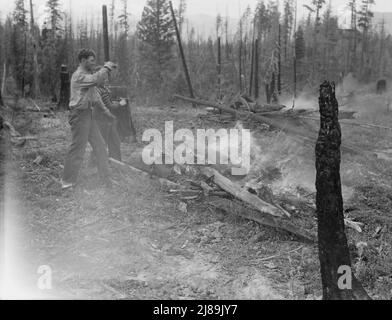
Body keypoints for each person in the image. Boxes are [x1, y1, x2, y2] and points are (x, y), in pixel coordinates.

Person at [61, 48, 117, 190]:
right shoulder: (79, 76)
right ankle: (67, 183)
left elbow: (96, 98)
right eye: (91, 61)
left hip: (88, 115)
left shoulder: (87, 75)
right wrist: (106, 67)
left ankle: (106, 179)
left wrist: (106, 112)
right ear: (83, 61)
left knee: (100, 146)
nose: (93, 63)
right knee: (77, 149)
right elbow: (97, 79)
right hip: (79, 115)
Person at [92, 74, 126, 162]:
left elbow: (108, 102)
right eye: (104, 78)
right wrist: (120, 103)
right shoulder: (99, 90)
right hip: (103, 120)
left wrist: (116, 101)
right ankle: (93, 164)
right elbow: (109, 106)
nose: (106, 80)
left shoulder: (103, 89)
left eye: (106, 78)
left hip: (108, 119)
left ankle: (116, 163)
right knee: (102, 143)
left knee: (114, 141)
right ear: (98, 79)